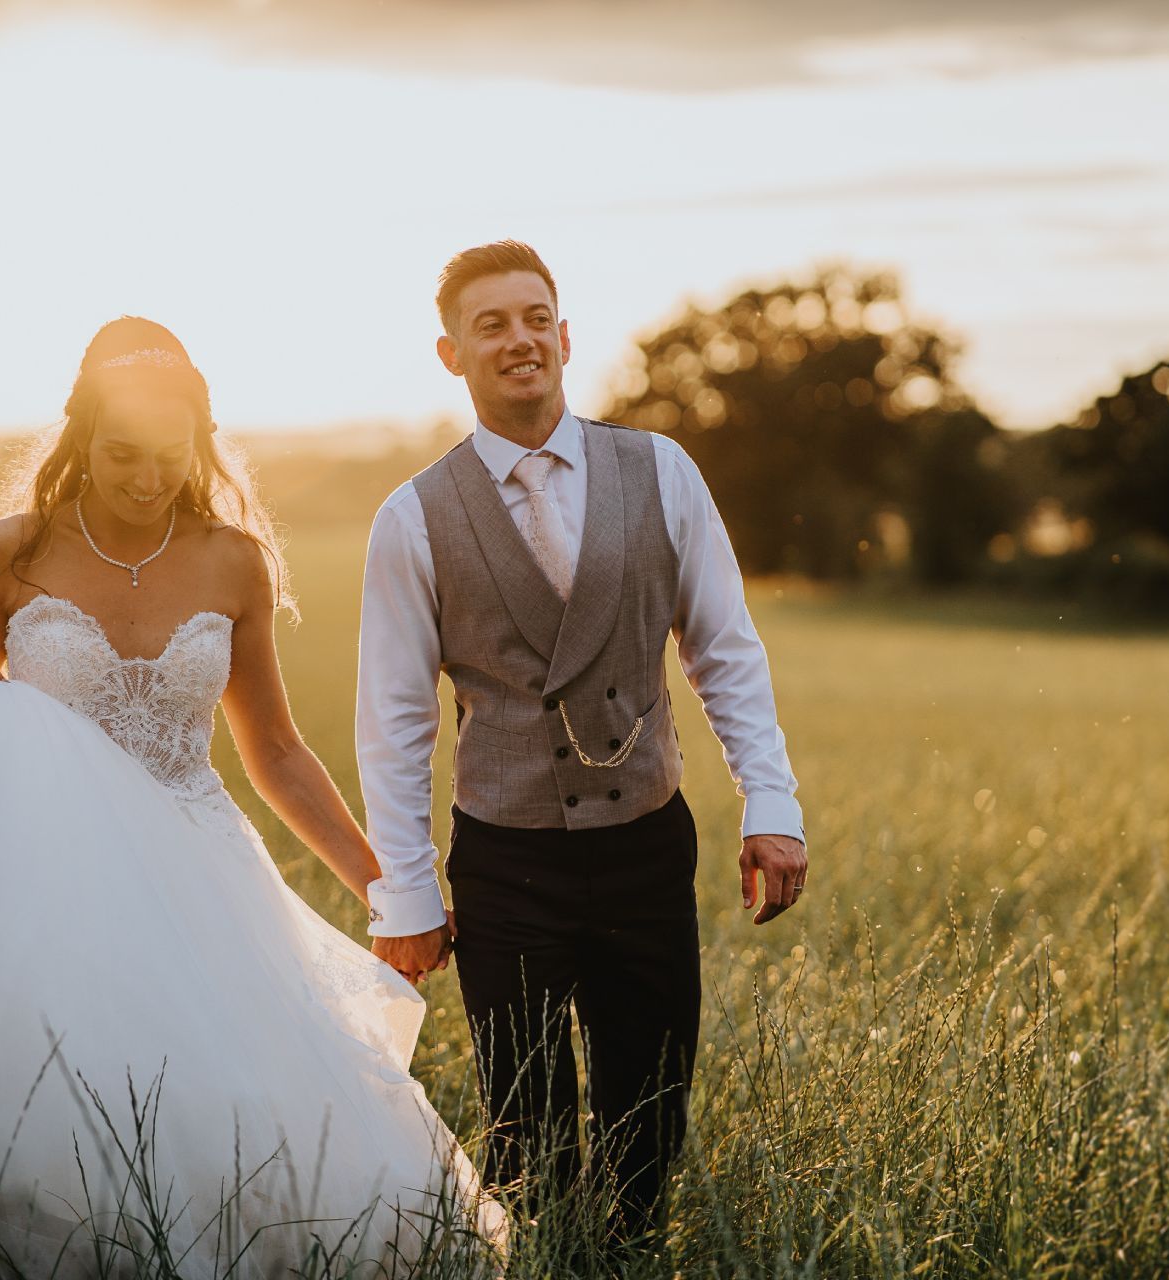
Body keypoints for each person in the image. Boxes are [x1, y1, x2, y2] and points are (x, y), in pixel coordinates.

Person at [0, 317, 501, 1278]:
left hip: (188, 871)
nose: (146, 477)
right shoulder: (14, 550)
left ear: (201, 445)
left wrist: (386, 884)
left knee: (206, 1109)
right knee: (9, 1093)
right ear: (80, 443)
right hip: (30, 862)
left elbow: (273, 749)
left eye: (168, 454)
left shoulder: (233, 561)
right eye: (121, 454)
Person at [356, 241, 810, 1246]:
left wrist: (770, 807)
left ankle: (634, 1255)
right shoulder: (413, 517)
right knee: (529, 1136)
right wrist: (407, 890)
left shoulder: (663, 470)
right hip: (507, 856)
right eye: (491, 324)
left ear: (562, 336)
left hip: (647, 839)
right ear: (451, 354)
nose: (517, 338)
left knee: (650, 1112)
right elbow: (394, 722)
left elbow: (725, 649)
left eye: (534, 317)